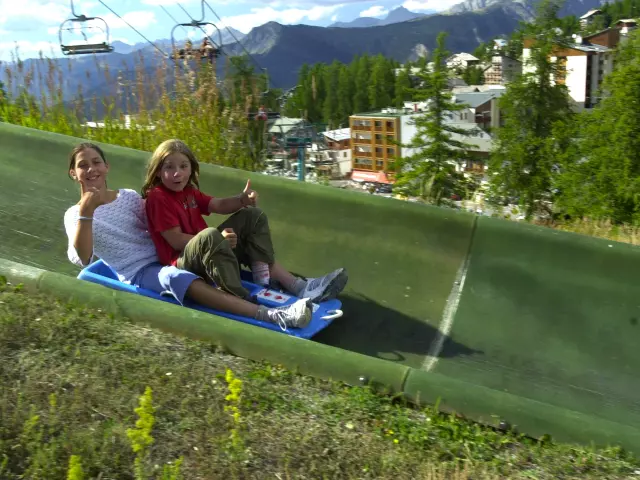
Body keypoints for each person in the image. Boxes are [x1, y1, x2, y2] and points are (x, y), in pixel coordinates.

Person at [63, 142, 314, 330]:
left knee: (245, 222)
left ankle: (290, 284)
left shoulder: (128, 196)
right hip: (142, 271)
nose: (91, 169)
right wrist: (87, 212)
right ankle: (272, 314)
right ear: (73, 174)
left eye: (96, 162)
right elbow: (82, 259)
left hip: (173, 255)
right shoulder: (75, 215)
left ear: (107, 166)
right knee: (176, 276)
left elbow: (160, 223)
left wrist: (226, 218)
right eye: (82, 165)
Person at [140, 139, 348, 310]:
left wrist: (242, 200)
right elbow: (176, 241)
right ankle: (244, 301)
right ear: (158, 171)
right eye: (169, 167)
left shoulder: (188, 192)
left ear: (191, 168)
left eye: (183, 166)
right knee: (210, 234)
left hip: (211, 251)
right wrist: (216, 241)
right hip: (186, 264)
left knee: (252, 216)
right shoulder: (158, 198)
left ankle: (278, 281)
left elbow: (218, 204)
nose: (178, 173)